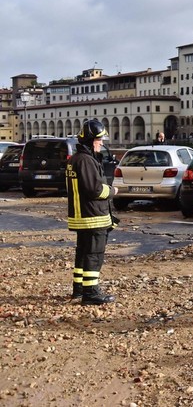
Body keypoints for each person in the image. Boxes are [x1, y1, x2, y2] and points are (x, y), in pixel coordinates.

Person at [67, 119, 118, 305]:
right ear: (90, 140)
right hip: (93, 216)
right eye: (99, 139)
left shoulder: (76, 159)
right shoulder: (86, 161)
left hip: (82, 216)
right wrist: (112, 191)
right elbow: (94, 190)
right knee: (94, 254)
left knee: (83, 252)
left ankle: (79, 290)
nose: (102, 143)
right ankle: (91, 293)